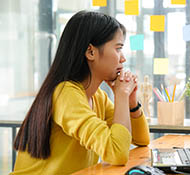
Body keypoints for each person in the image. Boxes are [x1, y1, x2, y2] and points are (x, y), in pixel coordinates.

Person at [11, 10, 150, 175]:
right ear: (91, 52)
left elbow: (141, 139)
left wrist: (131, 103)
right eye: (118, 48)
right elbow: (117, 152)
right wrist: (121, 95)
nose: (123, 58)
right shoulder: (66, 94)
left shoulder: (98, 97)